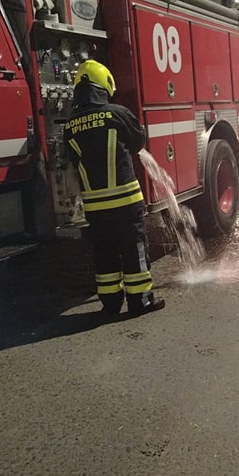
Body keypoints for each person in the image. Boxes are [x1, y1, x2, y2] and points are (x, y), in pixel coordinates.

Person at [64, 59, 165, 315]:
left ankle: (110, 304)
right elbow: (137, 142)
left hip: (95, 207)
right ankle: (140, 301)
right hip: (126, 201)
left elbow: (71, 160)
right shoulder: (117, 113)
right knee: (134, 250)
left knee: (105, 252)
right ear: (105, 85)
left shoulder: (70, 126)